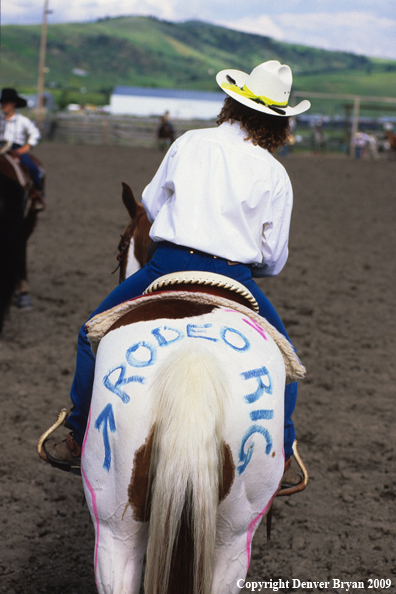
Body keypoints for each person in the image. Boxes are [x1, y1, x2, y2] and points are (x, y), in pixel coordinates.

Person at [40, 61, 311, 493]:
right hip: (235, 276)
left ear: (232, 102)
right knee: (285, 364)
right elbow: (274, 258)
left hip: (167, 266)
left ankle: (78, 433)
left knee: (90, 334)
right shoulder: (276, 173)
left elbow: (150, 201)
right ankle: (280, 450)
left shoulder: (189, 143)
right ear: (279, 121)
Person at [0, 88, 45, 210]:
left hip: (15, 148)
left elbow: (35, 133)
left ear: (13, 104)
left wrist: (28, 145)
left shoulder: (22, 120)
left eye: (7, 102)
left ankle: (37, 194)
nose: (4, 105)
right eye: (3, 103)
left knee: (33, 167)